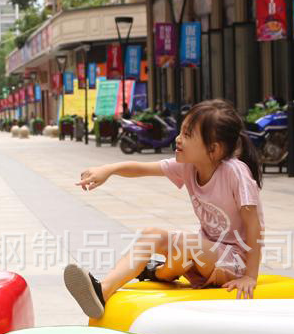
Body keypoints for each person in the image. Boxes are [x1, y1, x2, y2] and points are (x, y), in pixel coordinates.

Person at [64, 99, 264, 318]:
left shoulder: (236, 173)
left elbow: (254, 226)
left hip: (235, 261)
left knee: (186, 246)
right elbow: (141, 169)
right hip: (203, 253)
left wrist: (250, 276)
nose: (178, 139)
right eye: (181, 131)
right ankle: (103, 291)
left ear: (213, 149)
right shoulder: (188, 166)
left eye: (187, 135)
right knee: (152, 235)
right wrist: (108, 170)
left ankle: (157, 271)